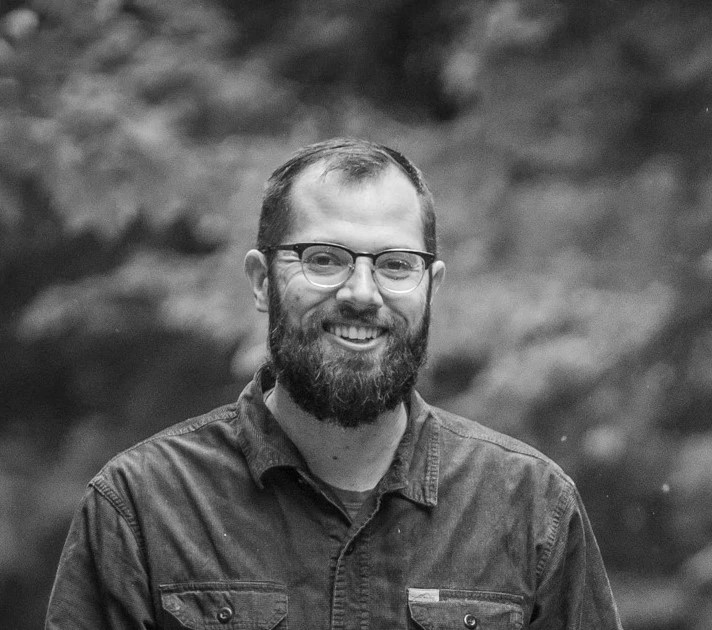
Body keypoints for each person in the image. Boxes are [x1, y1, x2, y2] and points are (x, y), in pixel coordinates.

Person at [46, 138, 623, 629]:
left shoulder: (532, 508)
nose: (362, 293)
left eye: (395, 264)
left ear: (431, 288)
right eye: (324, 259)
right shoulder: (141, 508)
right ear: (261, 281)